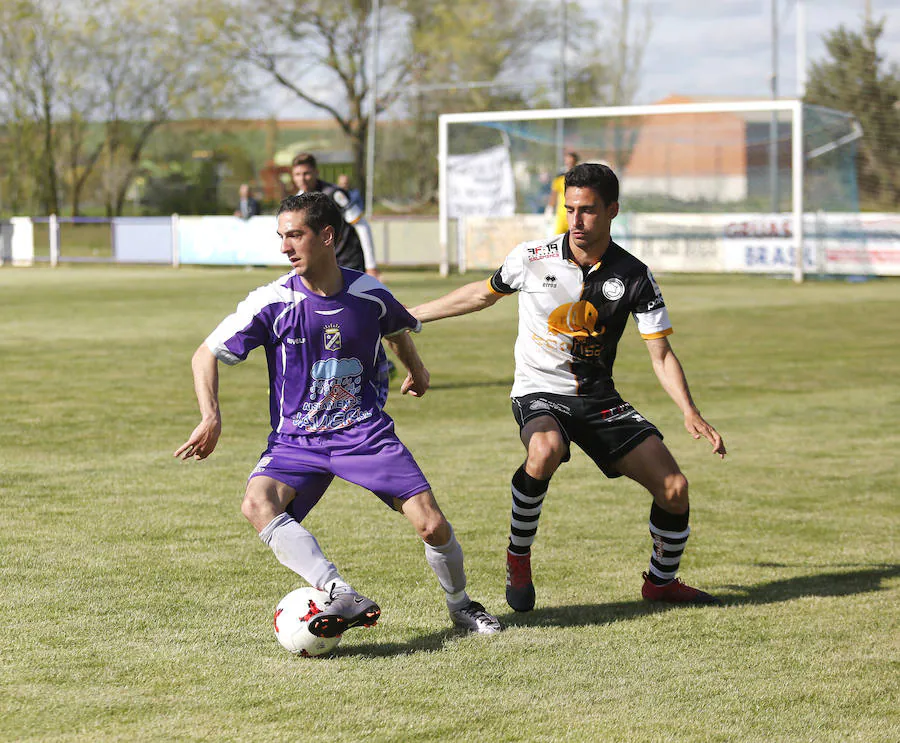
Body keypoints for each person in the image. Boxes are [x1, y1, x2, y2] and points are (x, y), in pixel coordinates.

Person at [174, 192, 502, 637]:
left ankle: (462, 607)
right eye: (282, 236)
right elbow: (204, 354)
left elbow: (397, 327)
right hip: (297, 441)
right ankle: (337, 591)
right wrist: (210, 416)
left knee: (433, 525)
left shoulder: (369, 293)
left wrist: (417, 369)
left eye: (296, 235)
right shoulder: (272, 302)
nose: (285, 247)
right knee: (256, 503)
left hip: (364, 434)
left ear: (326, 236)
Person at [410, 163, 726, 612]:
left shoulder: (634, 275)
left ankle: (661, 583)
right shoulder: (532, 257)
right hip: (538, 389)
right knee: (544, 449)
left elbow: (661, 354)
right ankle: (518, 555)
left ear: (612, 211)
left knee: (674, 488)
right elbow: (482, 294)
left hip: (598, 399)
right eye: (570, 209)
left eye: (588, 211)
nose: (576, 221)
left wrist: (689, 411)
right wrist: (411, 314)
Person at [291, 154, 378, 278]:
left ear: (316, 172)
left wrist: (371, 266)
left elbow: (362, 225)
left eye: (306, 173)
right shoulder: (297, 200)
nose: (302, 179)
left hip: (347, 261)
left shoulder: (334, 194)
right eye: (297, 175)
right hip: (319, 262)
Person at [546, 151, 579, 236]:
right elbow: (554, 194)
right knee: (557, 239)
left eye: (571, 162)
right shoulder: (560, 177)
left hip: (575, 215)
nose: (569, 164)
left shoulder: (580, 178)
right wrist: (549, 209)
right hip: (561, 215)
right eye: (567, 161)